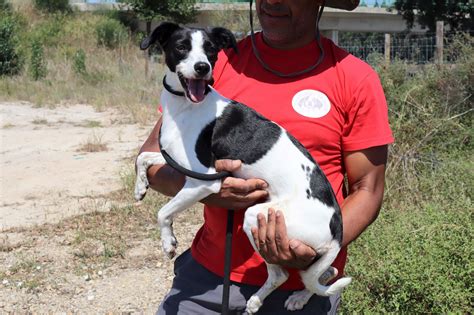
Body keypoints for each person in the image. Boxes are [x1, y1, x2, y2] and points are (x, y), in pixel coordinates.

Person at [139, 0, 394, 313]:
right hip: (206, 281)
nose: (272, 1)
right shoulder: (214, 62)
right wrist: (205, 186)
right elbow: (154, 158)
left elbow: (368, 189)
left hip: (299, 293)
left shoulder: (354, 78)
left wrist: (313, 254)